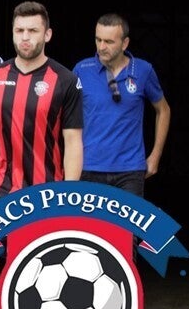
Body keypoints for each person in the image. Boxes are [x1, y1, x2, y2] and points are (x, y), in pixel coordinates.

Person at [0, 2, 84, 304]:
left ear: (47, 34)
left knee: (35, 270)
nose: (25, 37)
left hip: (43, 189)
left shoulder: (65, 80)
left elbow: (73, 141)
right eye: (20, 30)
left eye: (33, 31)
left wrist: (69, 194)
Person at [72, 13, 170, 198]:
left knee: (128, 219)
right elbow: (67, 116)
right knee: (89, 219)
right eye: (98, 40)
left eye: (109, 42)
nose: (101, 47)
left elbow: (163, 110)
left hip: (130, 170)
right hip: (89, 166)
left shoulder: (143, 70)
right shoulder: (81, 70)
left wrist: (156, 155)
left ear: (125, 43)